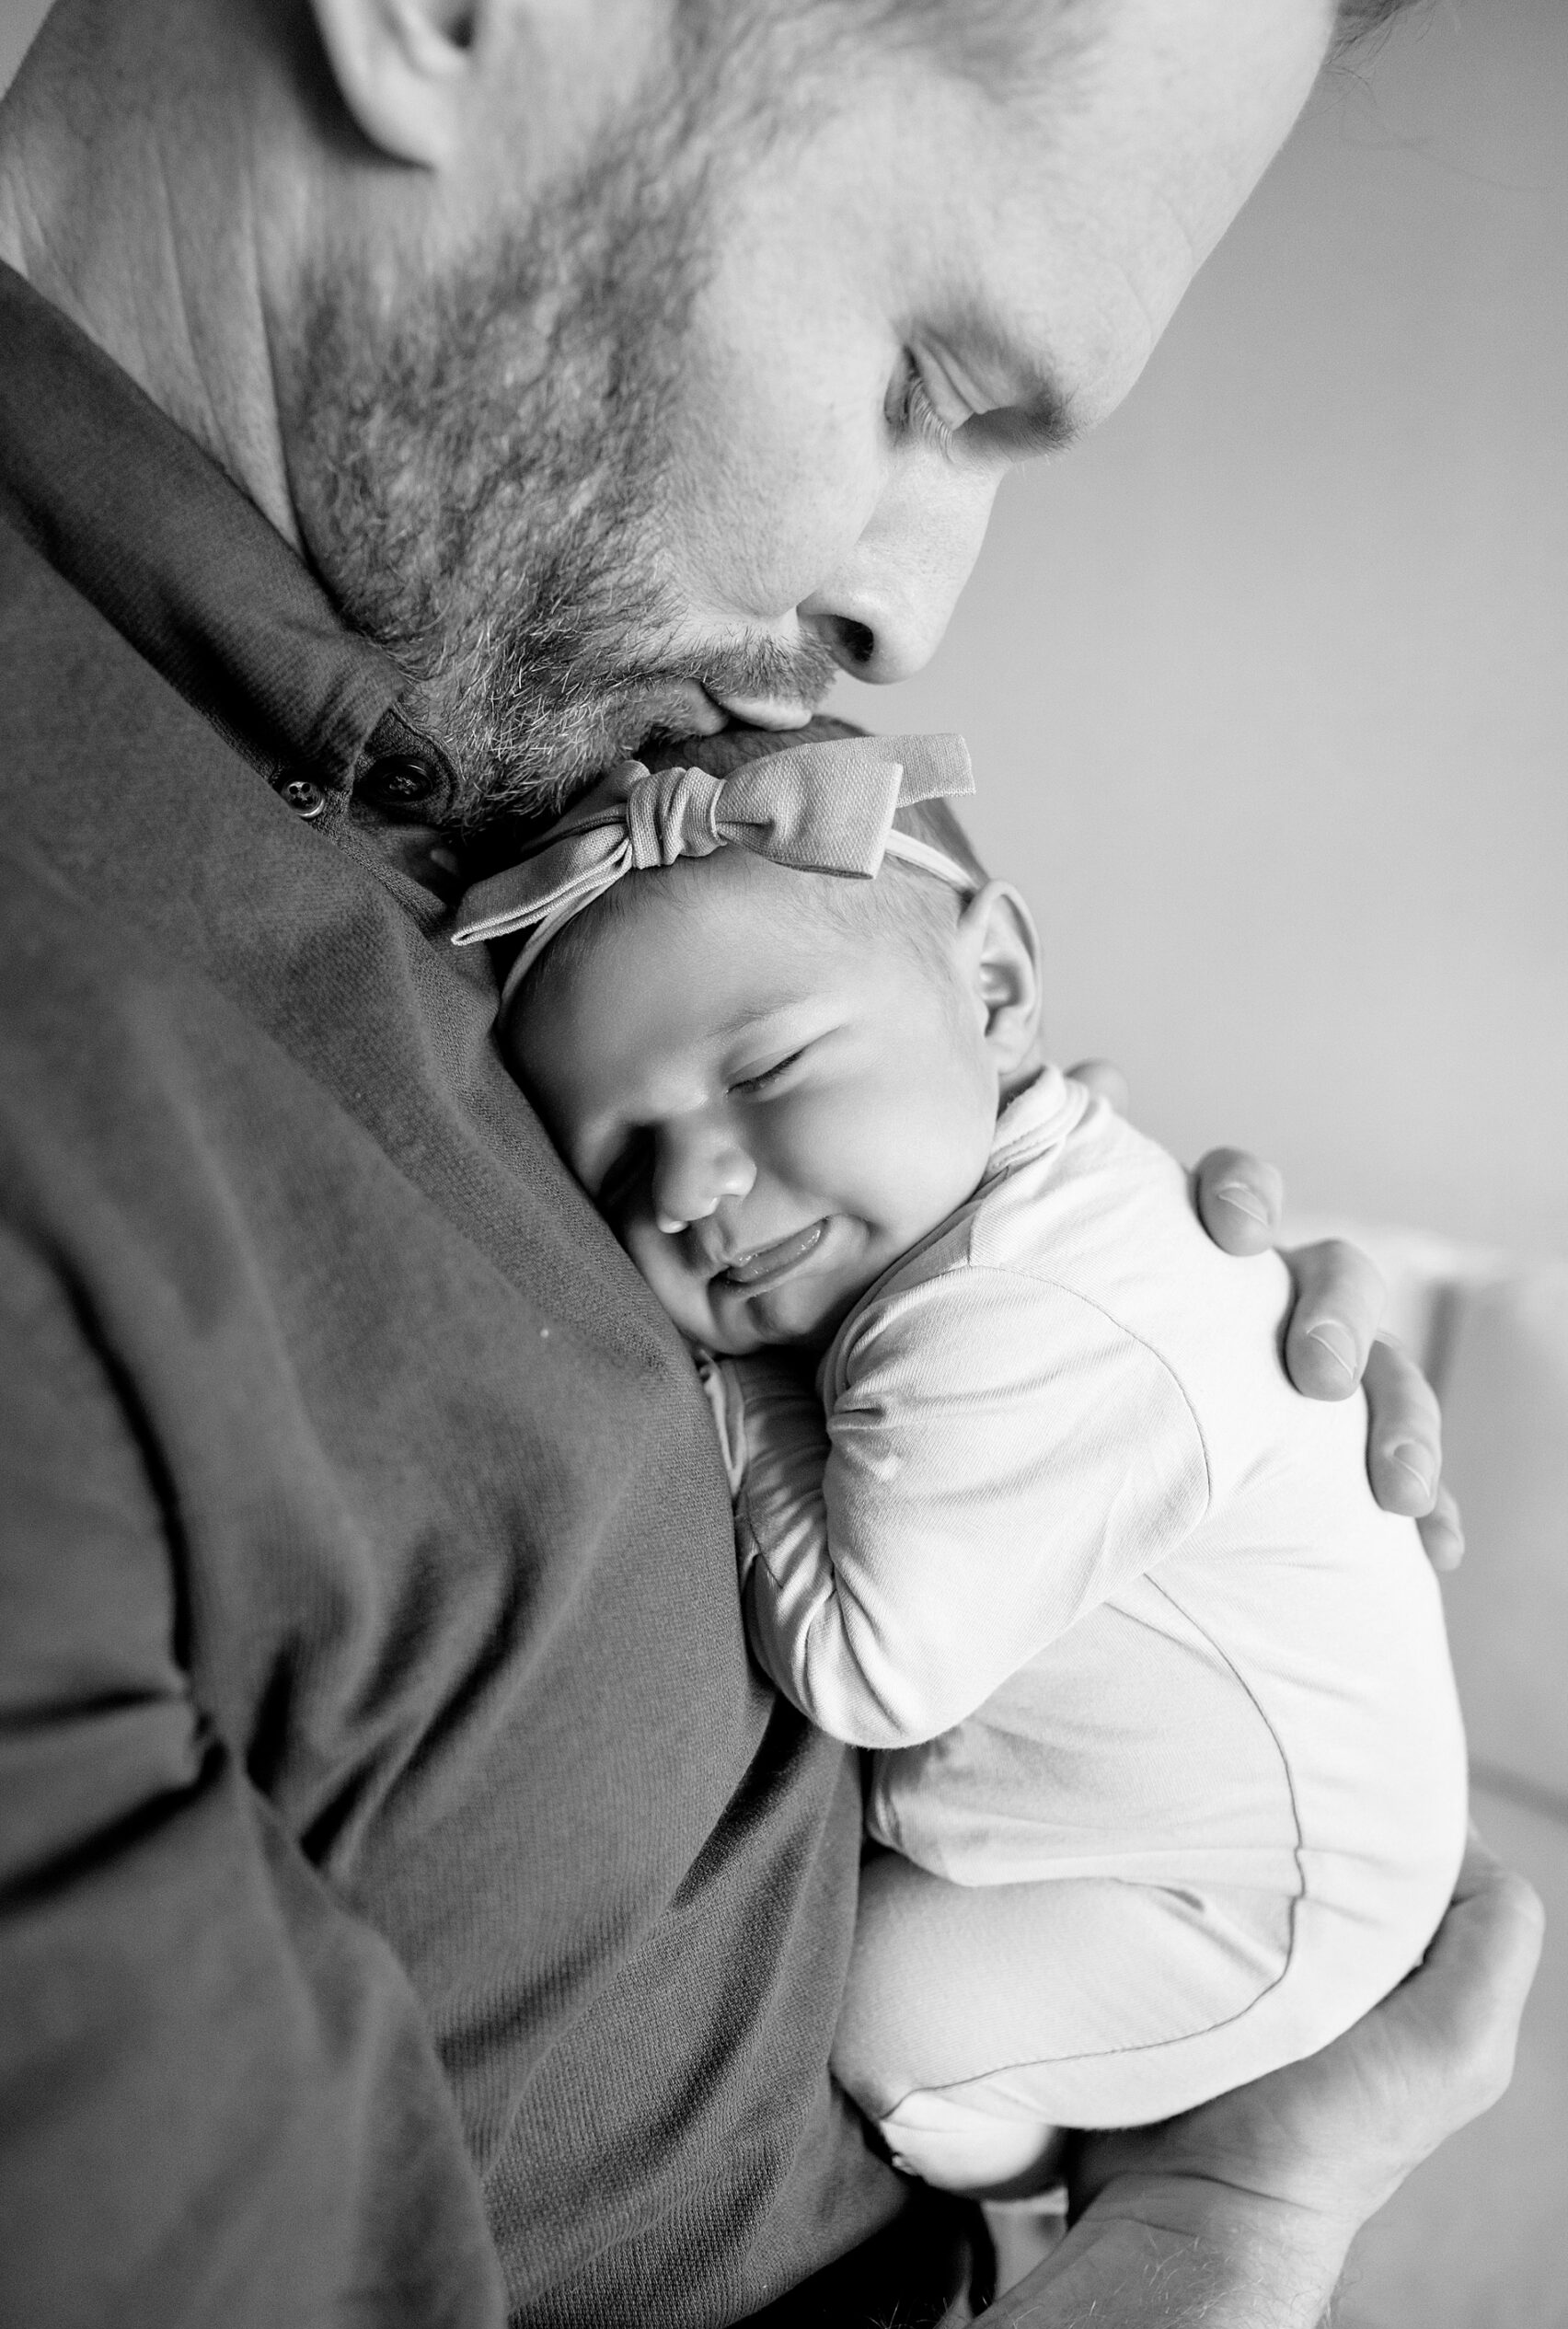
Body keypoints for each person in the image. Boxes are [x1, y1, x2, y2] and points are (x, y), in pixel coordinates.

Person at [0, 3, 1539, 2329]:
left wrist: (1127, 1408)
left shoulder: (451, 752)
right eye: (934, 377)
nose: (908, 619)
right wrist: (1209, 2266)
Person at [484, 720, 1471, 2207]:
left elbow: (870, 1667)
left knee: (890, 2021)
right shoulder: (984, 1211)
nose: (689, 1190)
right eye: (624, 1165)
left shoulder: (1005, 1302)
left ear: (996, 988)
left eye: (770, 1065)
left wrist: (731, 1375)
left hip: (1250, 1906)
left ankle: (1064, 2175)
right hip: (1202, 1832)